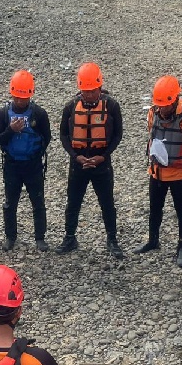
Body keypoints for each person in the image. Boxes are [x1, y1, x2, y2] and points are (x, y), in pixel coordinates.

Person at [133, 75, 182, 267]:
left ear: (175, 100)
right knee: (155, 208)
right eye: (158, 105)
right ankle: (153, 240)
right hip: (157, 172)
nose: (162, 109)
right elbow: (152, 133)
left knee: (181, 210)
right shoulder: (152, 112)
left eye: (165, 105)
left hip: (180, 174)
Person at [56, 62, 124, 258]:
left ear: (100, 88)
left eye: (92, 91)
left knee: (107, 202)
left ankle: (112, 239)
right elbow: (63, 135)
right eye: (85, 92)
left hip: (101, 164)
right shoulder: (70, 107)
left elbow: (118, 135)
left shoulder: (111, 106)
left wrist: (103, 156)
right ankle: (70, 237)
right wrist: (76, 157)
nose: (89, 95)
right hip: (78, 164)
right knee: (73, 201)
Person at [0, 70, 52, 252]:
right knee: (10, 203)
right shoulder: (3, 114)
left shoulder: (39, 114)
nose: (20, 101)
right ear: (12, 94)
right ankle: (10, 237)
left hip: (32, 165)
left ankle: (40, 238)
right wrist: (10, 130)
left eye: (23, 98)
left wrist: (35, 154)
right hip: (12, 165)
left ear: (30, 95)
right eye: (17, 97)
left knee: (38, 202)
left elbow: (47, 137)